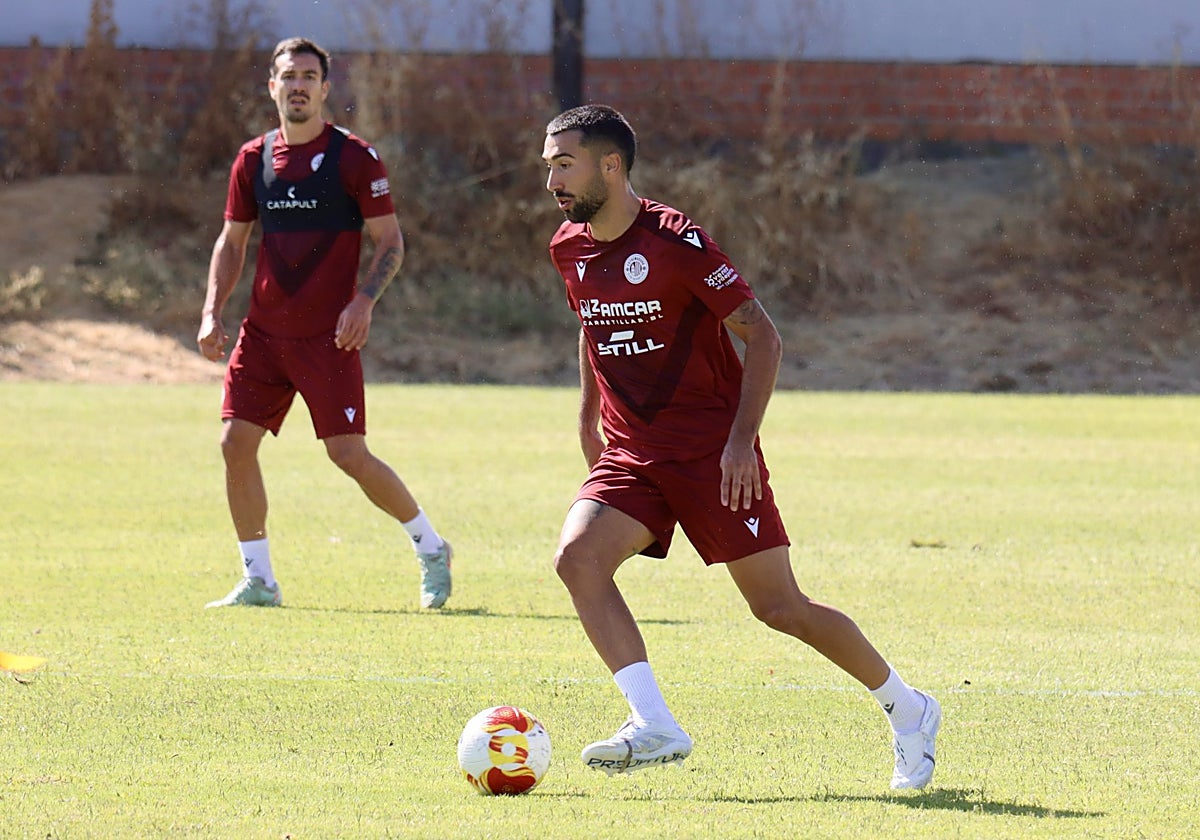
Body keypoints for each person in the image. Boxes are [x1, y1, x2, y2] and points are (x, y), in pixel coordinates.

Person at [542, 104, 940, 788]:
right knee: (578, 558)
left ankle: (910, 710)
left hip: (710, 452)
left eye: (564, 164)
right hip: (633, 452)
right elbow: (591, 324)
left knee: (779, 608)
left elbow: (764, 337)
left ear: (610, 165)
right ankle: (653, 722)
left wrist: (739, 445)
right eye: (548, 165)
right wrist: (587, 419)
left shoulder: (676, 242)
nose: (551, 180)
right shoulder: (567, 246)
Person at [196, 37, 451, 610]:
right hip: (263, 336)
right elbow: (231, 243)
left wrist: (363, 301)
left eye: (309, 77)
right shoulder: (253, 160)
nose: (298, 86)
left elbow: (390, 241)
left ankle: (432, 548)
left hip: (328, 337)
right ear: (272, 87)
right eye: (288, 76)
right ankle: (259, 579)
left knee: (348, 455)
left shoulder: (355, 158)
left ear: (325, 89)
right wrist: (212, 311)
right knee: (235, 443)